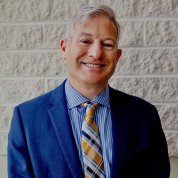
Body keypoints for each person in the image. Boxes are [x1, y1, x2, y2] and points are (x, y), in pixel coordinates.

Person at [8, 4, 170, 178]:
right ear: (64, 48)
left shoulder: (144, 115)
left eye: (107, 44)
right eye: (85, 41)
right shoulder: (27, 119)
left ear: (117, 56)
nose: (96, 53)